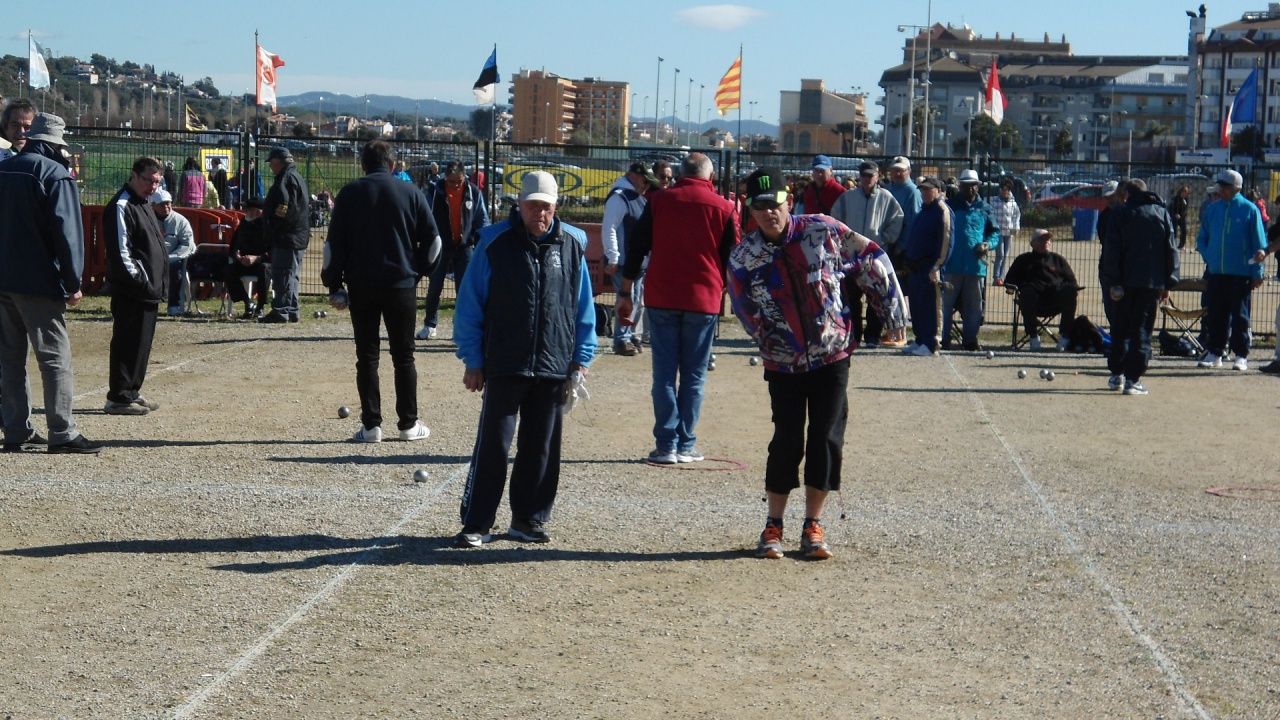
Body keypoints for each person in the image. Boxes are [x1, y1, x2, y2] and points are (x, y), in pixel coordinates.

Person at [727, 167, 901, 560]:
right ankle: (774, 525)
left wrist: (891, 315)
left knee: (825, 438)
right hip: (783, 364)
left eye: (776, 204)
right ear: (751, 211)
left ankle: (813, 526)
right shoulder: (744, 256)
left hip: (831, 356)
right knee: (787, 439)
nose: (770, 212)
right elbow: (742, 306)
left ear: (789, 201)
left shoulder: (821, 230)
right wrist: (771, 339)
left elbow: (872, 259)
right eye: (760, 207)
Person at [452, 171, 596, 548]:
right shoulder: (493, 243)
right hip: (504, 361)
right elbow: (470, 304)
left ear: (556, 206)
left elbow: (583, 307)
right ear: (520, 204)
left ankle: (528, 519)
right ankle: (477, 523)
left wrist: (582, 358)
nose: (540, 214)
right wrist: (472, 359)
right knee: (494, 446)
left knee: (541, 448)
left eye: (546, 207)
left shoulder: (572, 245)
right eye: (533, 206)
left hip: (554, 364)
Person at [617, 153, 738, 465]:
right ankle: (685, 444)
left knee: (664, 375)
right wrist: (729, 292)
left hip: (663, 296)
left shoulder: (659, 201)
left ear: (680, 173)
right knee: (695, 376)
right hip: (703, 299)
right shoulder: (724, 208)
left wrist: (625, 289)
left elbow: (637, 246)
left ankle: (666, 444)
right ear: (710, 177)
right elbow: (733, 258)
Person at [323, 141, 441, 443]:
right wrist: (421, 273)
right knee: (404, 357)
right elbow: (434, 242)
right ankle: (408, 425)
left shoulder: (349, 193)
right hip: (401, 284)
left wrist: (333, 283)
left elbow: (334, 245)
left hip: (361, 285)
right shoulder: (411, 192)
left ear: (363, 164)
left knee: (367, 356)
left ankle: (372, 426)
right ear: (393, 164)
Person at [0, 112, 102, 454]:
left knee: (9, 360)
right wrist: (73, 282)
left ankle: (15, 430)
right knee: (55, 357)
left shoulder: (3, 168)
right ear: (53, 145)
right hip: (38, 281)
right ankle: (62, 431)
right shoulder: (55, 174)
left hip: (2, 279)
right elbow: (67, 232)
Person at [1101, 179, 1180, 395]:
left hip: (1123, 282)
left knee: (1120, 328)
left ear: (1127, 193)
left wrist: (1113, 281)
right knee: (1142, 329)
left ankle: (1116, 374)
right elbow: (1170, 249)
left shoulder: (1119, 213)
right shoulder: (1161, 213)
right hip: (1151, 283)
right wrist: (1169, 281)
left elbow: (1112, 250)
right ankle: (1133, 379)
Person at [103, 156, 169, 416]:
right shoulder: (122, 205)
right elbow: (121, 251)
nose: (152, 186)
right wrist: (140, 281)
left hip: (148, 290)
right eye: (148, 180)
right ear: (134, 176)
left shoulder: (143, 204)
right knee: (127, 342)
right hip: (132, 290)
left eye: (157, 182)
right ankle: (119, 396)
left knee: (141, 344)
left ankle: (131, 390)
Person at [1195, 169, 1266, 371]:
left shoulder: (1250, 210)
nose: (1222, 190)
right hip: (1216, 272)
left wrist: (1257, 272)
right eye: (1221, 186)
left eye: (1226, 187)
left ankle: (1241, 354)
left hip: (1241, 273)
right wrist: (1210, 256)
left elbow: (1258, 243)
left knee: (1240, 315)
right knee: (1216, 315)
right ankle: (1216, 352)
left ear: (1237, 188)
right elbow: (1202, 237)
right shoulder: (1213, 209)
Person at [828, 160, 905, 347]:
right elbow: (835, 221)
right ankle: (854, 334)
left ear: (878, 177)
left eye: (871, 175)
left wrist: (884, 239)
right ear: (859, 177)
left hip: (874, 257)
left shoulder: (887, 198)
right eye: (864, 175)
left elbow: (897, 220)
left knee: (875, 298)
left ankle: (872, 336)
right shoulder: (847, 198)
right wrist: (843, 244)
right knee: (851, 298)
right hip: (851, 259)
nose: (867, 179)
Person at [416, 160, 487, 341]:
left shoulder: (473, 192)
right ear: (445, 178)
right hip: (440, 246)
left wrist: (484, 243)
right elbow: (424, 216)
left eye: (459, 181)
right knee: (434, 287)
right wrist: (426, 239)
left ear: (464, 179)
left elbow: (482, 219)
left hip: (464, 247)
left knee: (464, 290)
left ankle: (460, 327)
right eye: (451, 181)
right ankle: (430, 325)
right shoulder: (434, 191)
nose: (455, 185)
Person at [602, 161, 655, 356]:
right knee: (627, 298)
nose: (647, 185)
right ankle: (621, 339)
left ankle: (630, 335)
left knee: (636, 300)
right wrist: (613, 257)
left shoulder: (637, 198)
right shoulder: (619, 197)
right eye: (645, 180)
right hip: (624, 261)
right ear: (633, 176)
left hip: (637, 261)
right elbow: (610, 228)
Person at [942, 169, 998, 351]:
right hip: (952, 264)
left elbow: (994, 233)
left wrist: (988, 245)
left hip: (976, 266)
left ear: (978, 186)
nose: (970, 189)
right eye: (966, 185)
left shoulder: (985, 208)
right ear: (960, 186)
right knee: (945, 304)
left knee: (974, 305)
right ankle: (943, 338)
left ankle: (970, 339)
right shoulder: (950, 206)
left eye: (973, 185)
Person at [1003, 230, 1080, 351]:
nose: (1046, 242)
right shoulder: (1023, 260)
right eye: (1042, 240)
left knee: (1070, 291)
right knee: (1027, 292)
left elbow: (1072, 281)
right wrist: (1023, 286)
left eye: (1048, 240)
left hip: (1056, 301)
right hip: (1033, 301)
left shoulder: (1057, 260)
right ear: (1032, 243)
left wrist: (1064, 287)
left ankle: (1065, 337)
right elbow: (1009, 281)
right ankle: (1033, 337)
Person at [260, 146, 311, 324]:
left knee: (282, 273)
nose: (270, 167)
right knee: (292, 274)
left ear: (279, 163)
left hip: (287, 236)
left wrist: (273, 224)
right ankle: (292, 310)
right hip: (298, 234)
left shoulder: (285, 178)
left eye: (271, 163)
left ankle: (281, 310)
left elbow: (283, 206)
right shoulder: (296, 176)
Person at [902, 177, 952, 356]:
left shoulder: (942, 211)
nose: (925, 193)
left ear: (938, 191)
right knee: (917, 304)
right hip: (916, 267)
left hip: (930, 267)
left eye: (929, 189)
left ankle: (932, 343)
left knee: (932, 305)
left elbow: (946, 242)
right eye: (922, 189)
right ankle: (921, 339)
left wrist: (937, 266)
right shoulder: (924, 210)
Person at [148, 189, 195, 317]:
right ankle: (145, 305)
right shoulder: (147, 220)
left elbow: (188, 245)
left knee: (176, 270)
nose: (166, 207)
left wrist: (169, 258)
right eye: (162, 204)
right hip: (152, 258)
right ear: (153, 206)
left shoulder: (181, 221)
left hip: (174, 259)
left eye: (168, 203)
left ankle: (174, 305)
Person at [225, 197, 271, 319]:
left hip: (263, 263)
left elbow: (274, 251)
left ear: (258, 211)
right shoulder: (244, 223)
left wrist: (257, 258)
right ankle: (248, 302)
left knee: (264, 269)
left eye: (248, 209)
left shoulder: (269, 226)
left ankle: (260, 306)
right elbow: (234, 245)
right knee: (228, 270)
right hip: (244, 262)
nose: (245, 211)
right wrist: (237, 256)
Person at [989, 179, 1022, 286]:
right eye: (1002, 189)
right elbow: (990, 215)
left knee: (1006, 255)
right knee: (1000, 254)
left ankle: (1001, 277)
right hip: (998, 232)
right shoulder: (994, 201)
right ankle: (996, 277)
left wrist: (1016, 227)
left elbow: (1016, 216)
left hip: (1009, 232)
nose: (1003, 191)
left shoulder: (1013, 202)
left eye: (1006, 190)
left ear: (1009, 190)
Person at [1168, 185, 1190, 250]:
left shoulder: (1186, 200)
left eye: (1186, 193)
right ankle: (1172, 244)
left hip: (1182, 217)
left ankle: (1181, 245)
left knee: (1184, 230)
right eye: (1183, 193)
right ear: (1180, 192)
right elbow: (1170, 208)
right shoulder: (1175, 199)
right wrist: (1175, 214)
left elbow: (1186, 209)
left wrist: (1182, 215)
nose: (1184, 195)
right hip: (1174, 216)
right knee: (1173, 230)